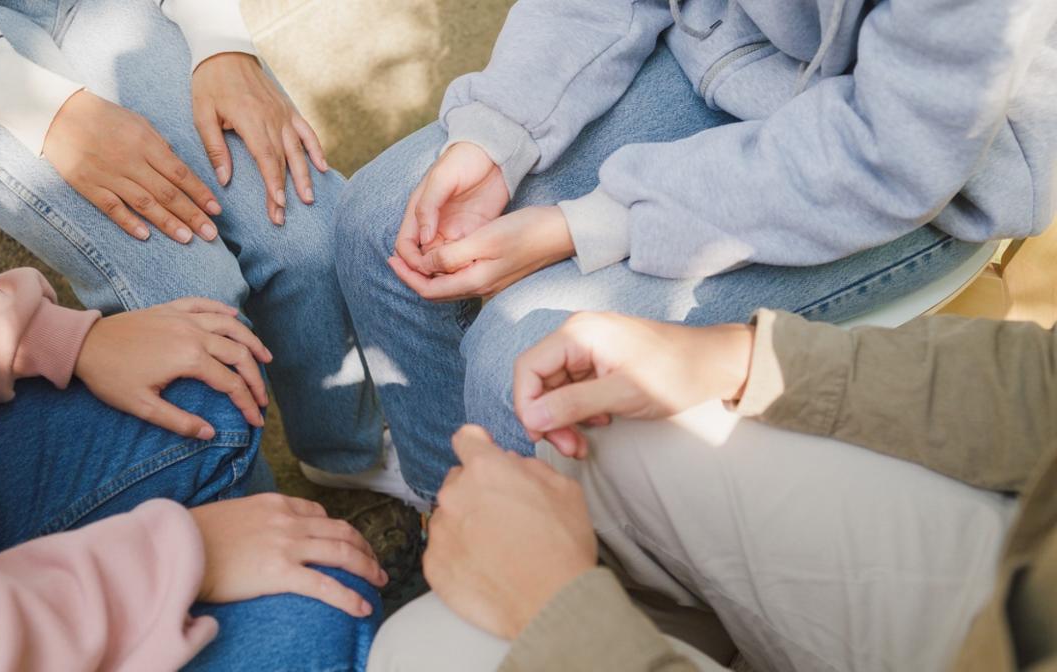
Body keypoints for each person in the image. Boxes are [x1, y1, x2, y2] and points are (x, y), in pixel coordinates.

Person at [334, 0, 1057, 500]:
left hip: (928, 172)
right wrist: (498, 132)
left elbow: (892, 155)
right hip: (735, 50)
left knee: (520, 361)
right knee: (381, 223)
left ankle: (538, 601)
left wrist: (594, 221)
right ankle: (451, 515)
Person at [0, 0, 418, 509]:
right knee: (187, 294)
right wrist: (47, 112)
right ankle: (245, 518)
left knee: (305, 231)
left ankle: (347, 452)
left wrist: (220, 41)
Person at [0, 181, 388, 671]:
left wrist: (59, 338)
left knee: (204, 377)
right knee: (320, 609)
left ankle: (266, 537)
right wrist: (178, 556)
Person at [368, 310, 1057, 671]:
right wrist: (741, 358)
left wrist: (563, 618)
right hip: (1021, 573)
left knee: (422, 651)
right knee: (618, 425)